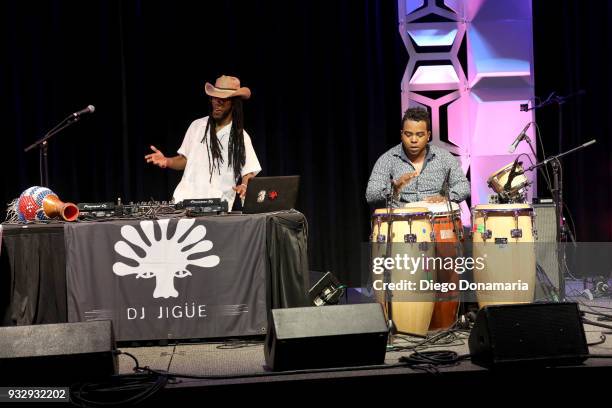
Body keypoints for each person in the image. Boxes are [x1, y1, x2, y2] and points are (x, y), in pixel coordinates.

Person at [145, 75, 261, 209]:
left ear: (233, 103)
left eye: (222, 99)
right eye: (214, 98)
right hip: (185, 202)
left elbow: (249, 171)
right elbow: (185, 160)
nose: (217, 102)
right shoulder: (197, 126)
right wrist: (167, 161)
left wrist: (244, 185)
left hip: (216, 207)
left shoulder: (240, 137)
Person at [366, 107, 470, 208]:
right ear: (401, 134)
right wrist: (394, 190)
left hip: (435, 220)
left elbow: (463, 187)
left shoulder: (444, 158)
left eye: (420, 135)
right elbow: (371, 194)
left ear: (428, 135)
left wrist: (445, 198)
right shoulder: (387, 159)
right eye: (408, 134)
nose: (414, 140)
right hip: (401, 221)